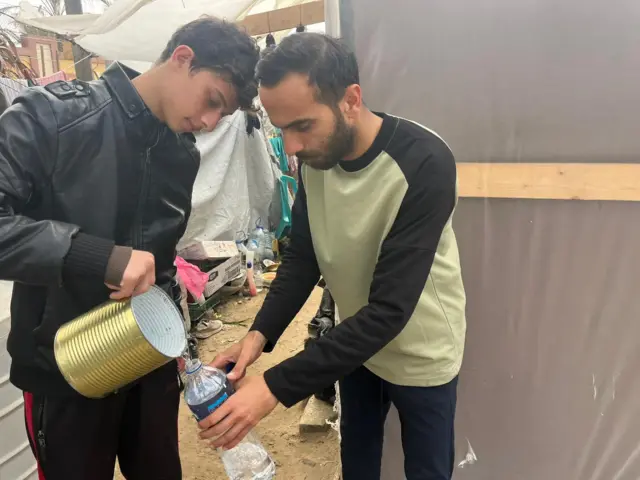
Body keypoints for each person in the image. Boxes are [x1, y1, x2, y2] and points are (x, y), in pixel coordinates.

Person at [0, 17, 259, 480]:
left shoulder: (181, 152)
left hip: (150, 363)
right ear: (183, 58)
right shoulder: (52, 117)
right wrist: (96, 257)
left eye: (222, 116)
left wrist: (178, 342)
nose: (207, 122)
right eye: (212, 101)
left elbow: (158, 260)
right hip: (66, 365)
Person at [200, 33, 467, 480]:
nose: (292, 147)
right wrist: (259, 336)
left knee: (427, 470)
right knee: (357, 461)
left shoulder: (425, 162)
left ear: (350, 100)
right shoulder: (316, 161)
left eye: (302, 126)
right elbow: (304, 255)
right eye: (281, 128)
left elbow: (389, 310)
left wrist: (273, 387)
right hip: (354, 346)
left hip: (421, 350)